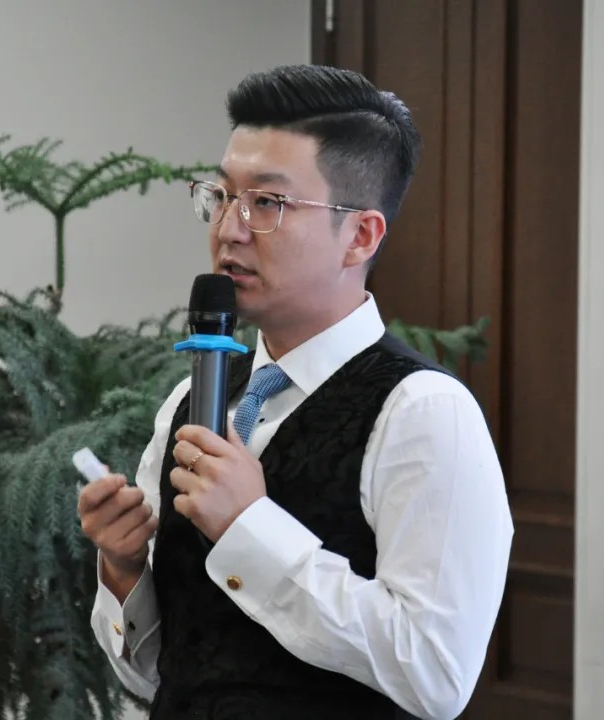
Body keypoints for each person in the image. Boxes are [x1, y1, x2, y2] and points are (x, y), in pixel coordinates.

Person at [78, 64, 513, 720]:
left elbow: (435, 675)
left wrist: (249, 528)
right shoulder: (189, 404)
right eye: (222, 195)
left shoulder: (423, 414)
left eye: (267, 203)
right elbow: (158, 675)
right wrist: (123, 569)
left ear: (360, 236)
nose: (228, 228)